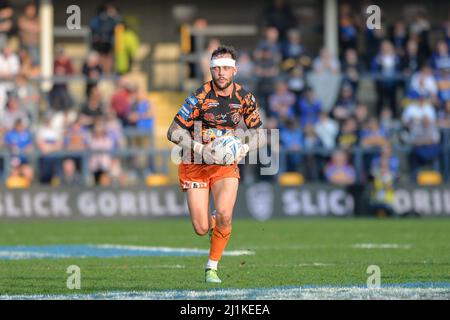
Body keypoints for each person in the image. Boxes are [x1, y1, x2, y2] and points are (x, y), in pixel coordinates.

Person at [167, 45, 265, 283]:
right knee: (201, 228)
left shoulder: (244, 98)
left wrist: (242, 148)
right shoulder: (198, 97)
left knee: (225, 214)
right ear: (211, 70)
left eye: (226, 68)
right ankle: (214, 224)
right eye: (217, 68)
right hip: (194, 164)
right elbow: (173, 131)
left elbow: (260, 135)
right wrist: (201, 149)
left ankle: (212, 267)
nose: (221, 73)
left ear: (235, 71)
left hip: (225, 165)